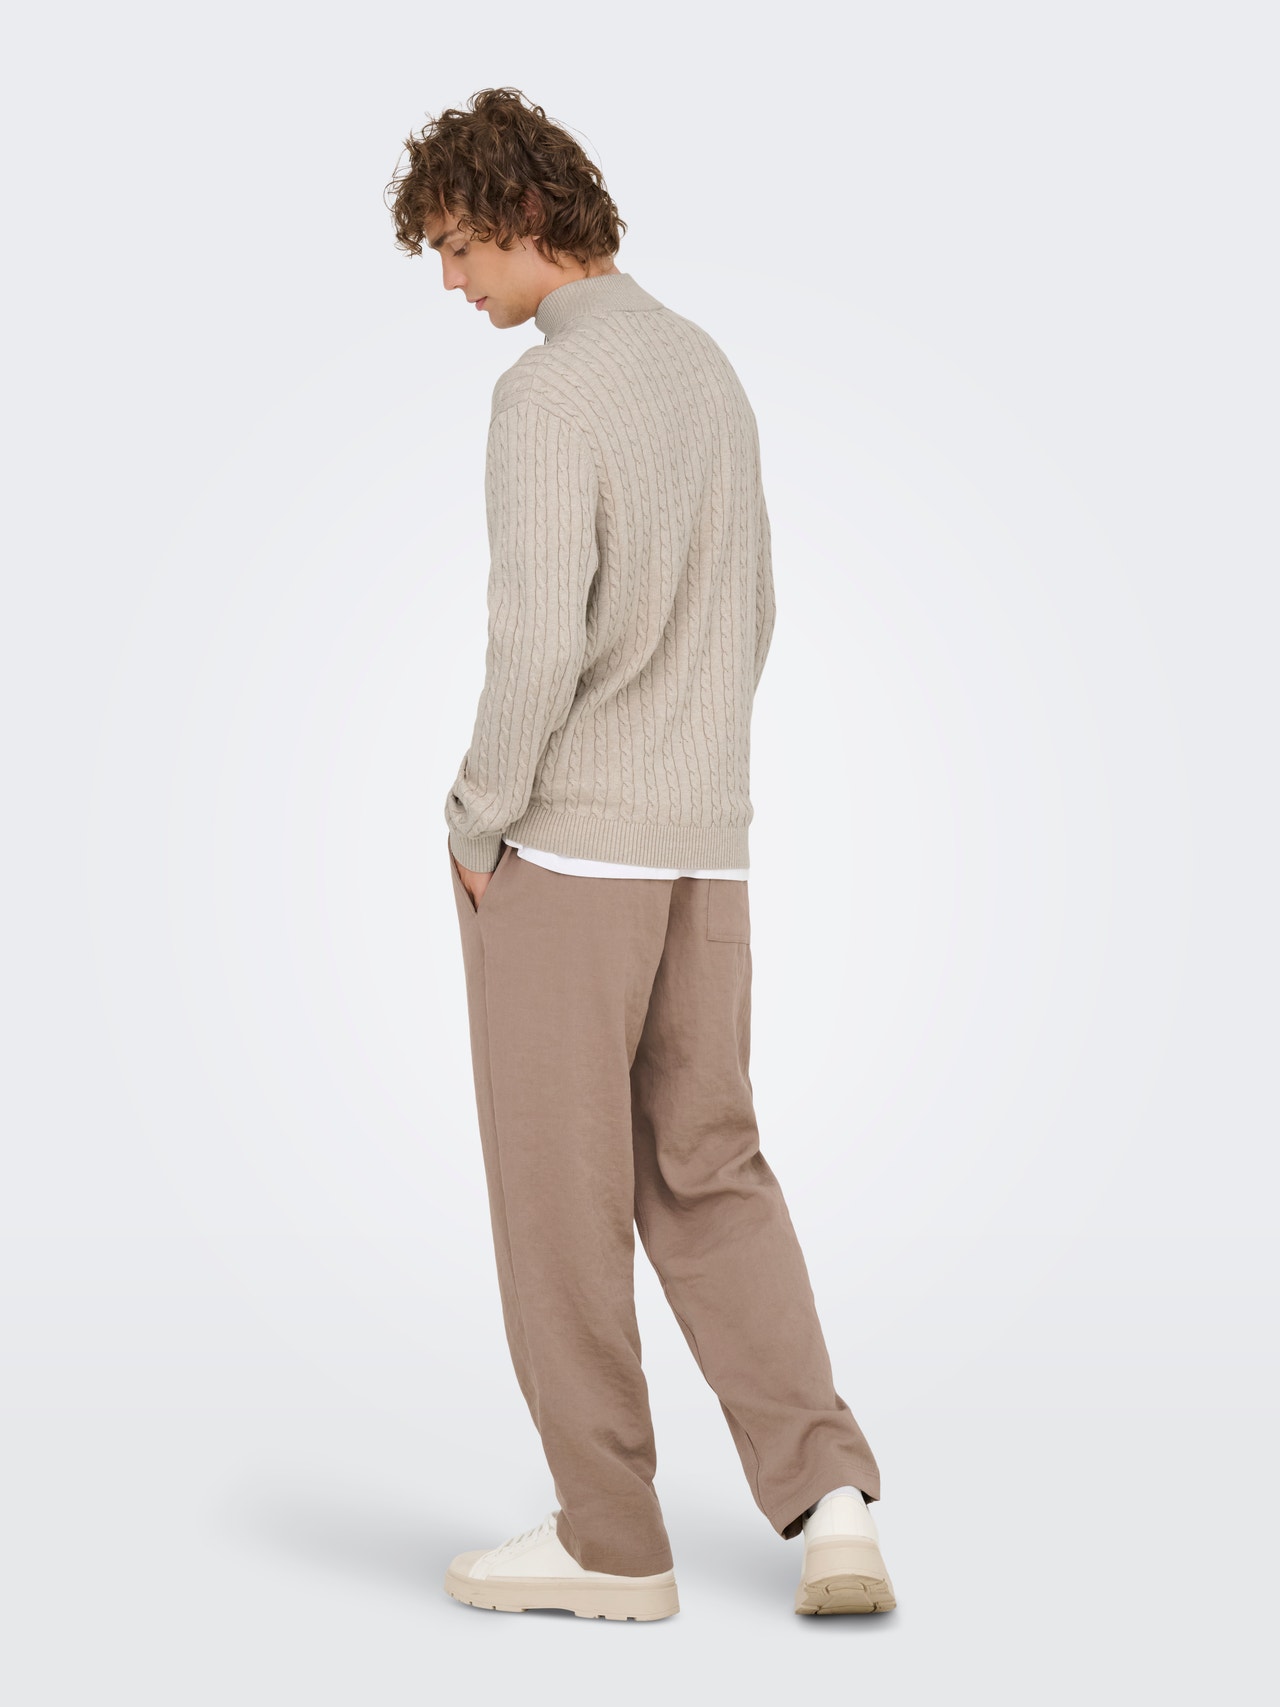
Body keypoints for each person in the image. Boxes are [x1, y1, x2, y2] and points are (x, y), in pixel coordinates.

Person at [386, 86, 895, 1621]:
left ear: (530, 217)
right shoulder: (705, 367)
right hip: (705, 851)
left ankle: (613, 1541)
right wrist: (689, 772)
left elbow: (539, 641)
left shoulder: (548, 396)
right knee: (712, 1168)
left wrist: (476, 816)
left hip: (570, 860)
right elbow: (757, 611)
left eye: (461, 246)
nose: (452, 282)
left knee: (559, 1203)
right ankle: (834, 1508)